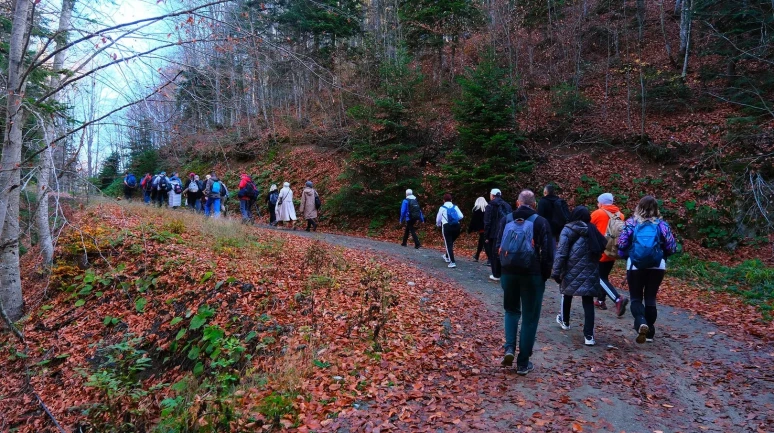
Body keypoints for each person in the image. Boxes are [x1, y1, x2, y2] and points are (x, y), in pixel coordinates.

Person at [497, 190, 555, 375]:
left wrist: (500, 271)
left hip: (508, 272)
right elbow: (547, 252)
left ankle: (509, 349)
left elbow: (496, 245)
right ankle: (523, 363)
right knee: (530, 317)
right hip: (532, 275)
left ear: (517, 203)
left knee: (511, 311)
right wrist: (544, 274)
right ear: (534, 204)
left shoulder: (506, 220)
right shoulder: (540, 222)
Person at [617, 195, 677, 344]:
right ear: (656, 209)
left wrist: (626, 255)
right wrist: (662, 254)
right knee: (650, 298)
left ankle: (641, 322)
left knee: (636, 298)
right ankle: (649, 332)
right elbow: (672, 247)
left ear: (639, 207)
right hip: (657, 266)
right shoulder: (662, 225)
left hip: (635, 266)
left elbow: (622, 244)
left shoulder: (631, 223)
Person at [552, 206, 608, 346]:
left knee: (566, 294)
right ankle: (589, 336)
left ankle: (565, 321)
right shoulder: (592, 230)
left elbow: (561, 252)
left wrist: (556, 271)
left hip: (571, 269)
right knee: (588, 301)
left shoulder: (568, 229)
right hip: (590, 270)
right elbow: (602, 245)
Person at [590, 193, 629, 315]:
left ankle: (617, 299)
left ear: (601, 203)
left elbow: (588, 227)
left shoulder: (597, 213)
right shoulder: (620, 215)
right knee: (604, 276)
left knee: (598, 277)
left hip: (600, 251)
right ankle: (601, 300)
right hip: (613, 250)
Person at [484, 188, 512, 280]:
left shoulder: (490, 206)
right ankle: (504, 272)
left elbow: (487, 222)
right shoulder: (507, 205)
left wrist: (486, 235)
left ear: (492, 195)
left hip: (493, 233)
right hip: (506, 232)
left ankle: (496, 274)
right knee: (504, 253)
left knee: (493, 254)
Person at [435, 193, 463, 268]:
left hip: (447, 226)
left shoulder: (442, 208)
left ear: (443, 200)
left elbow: (438, 219)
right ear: (451, 200)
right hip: (457, 227)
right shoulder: (455, 207)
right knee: (450, 243)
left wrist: (438, 224)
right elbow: (461, 216)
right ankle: (447, 256)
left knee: (448, 244)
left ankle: (452, 262)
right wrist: (454, 219)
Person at [468, 197, 488, 262]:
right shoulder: (488, 209)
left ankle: (489, 259)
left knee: (485, 243)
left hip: (482, 229)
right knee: (481, 242)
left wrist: (470, 229)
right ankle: (477, 255)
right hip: (488, 228)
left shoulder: (477, 210)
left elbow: (473, 221)